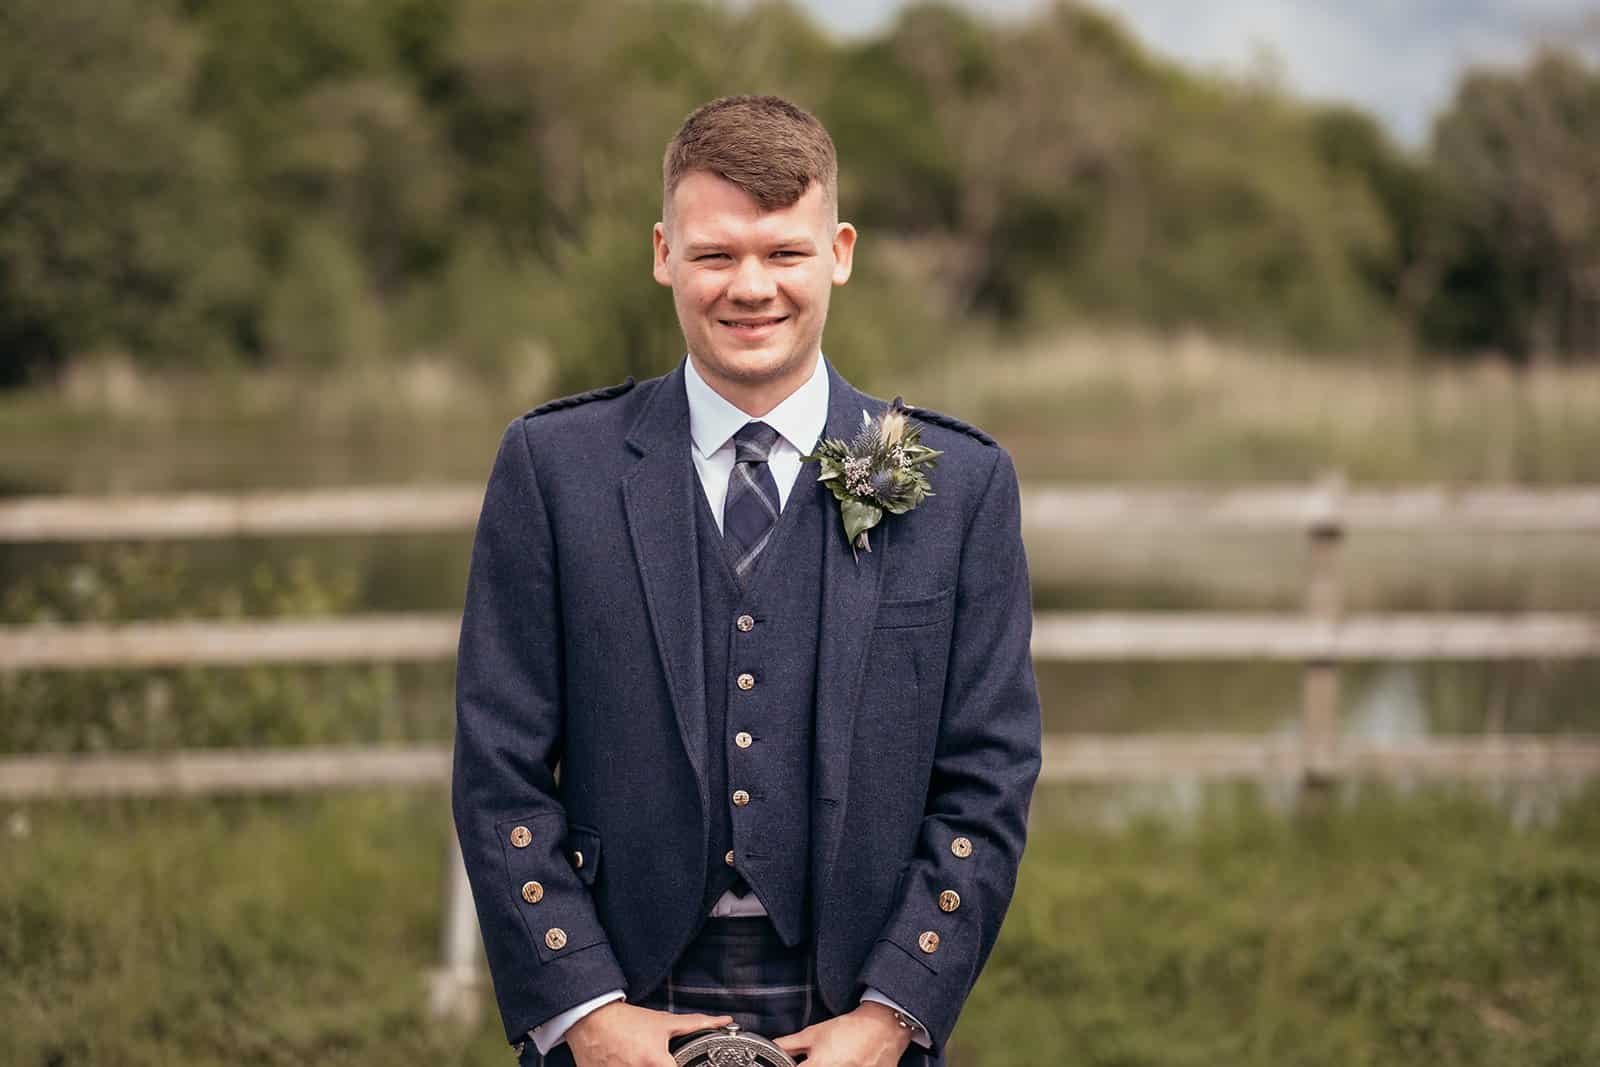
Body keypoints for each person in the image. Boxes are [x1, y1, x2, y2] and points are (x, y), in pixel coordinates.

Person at [452, 94, 1041, 1067]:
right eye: (716, 254)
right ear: (663, 254)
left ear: (840, 251)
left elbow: (986, 779)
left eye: (784, 253)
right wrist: (584, 1005)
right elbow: (498, 768)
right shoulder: (553, 469)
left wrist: (893, 1010)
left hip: (849, 1006)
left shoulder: (963, 486)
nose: (751, 287)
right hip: (624, 994)